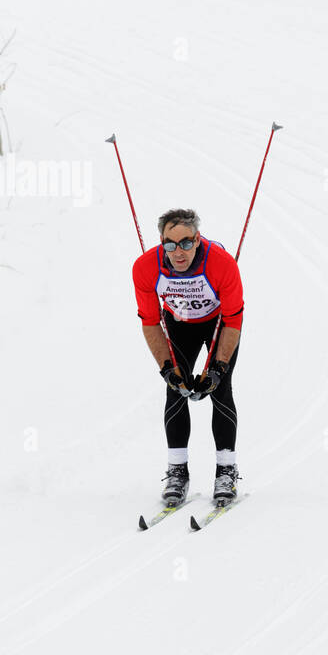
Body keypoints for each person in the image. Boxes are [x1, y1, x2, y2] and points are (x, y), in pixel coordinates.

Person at [132, 209, 244, 507]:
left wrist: (218, 367)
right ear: (161, 242)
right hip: (179, 324)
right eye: (170, 244)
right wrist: (167, 369)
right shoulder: (145, 267)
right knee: (175, 390)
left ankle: (226, 470)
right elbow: (150, 320)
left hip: (218, 323)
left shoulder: (222, 264)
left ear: (198, 239)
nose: (177, 252)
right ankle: (177, 471)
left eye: (185, 243)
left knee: (220, 389)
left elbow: (233, 318)